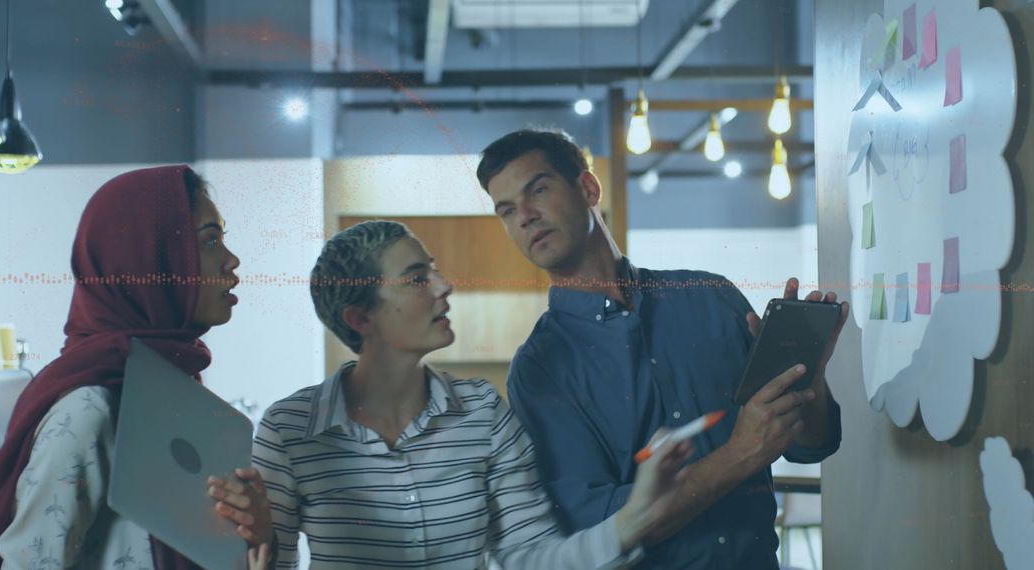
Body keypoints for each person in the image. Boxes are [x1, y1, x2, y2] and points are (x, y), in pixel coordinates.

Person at [476, 129, 849, 569]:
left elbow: (813, 444)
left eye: (537, 190)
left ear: (588, 187)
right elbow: (597, 526)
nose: (524, 217)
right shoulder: (540, 369)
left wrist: (808, 383)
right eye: (505, 211)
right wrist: (738, 454)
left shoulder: (712, 297)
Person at [253, 220, 703, 568]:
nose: (444, 285)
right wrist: (255, 538)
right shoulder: (289, 430)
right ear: (359, 319)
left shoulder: (483, 412)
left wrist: (637, 516)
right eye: (416, 278)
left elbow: (533, 558)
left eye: (433, 269)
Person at [0, 165, 274, 569]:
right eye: (210, 239)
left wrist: (257, 543)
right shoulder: (91, 410)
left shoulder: (176, 398)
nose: (231, 260)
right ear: (152, 258)